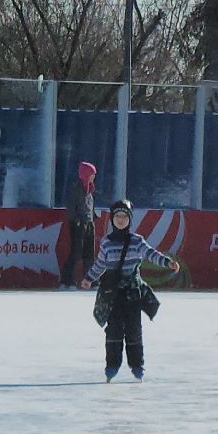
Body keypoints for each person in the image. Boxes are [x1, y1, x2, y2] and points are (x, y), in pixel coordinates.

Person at [80, 198, 181, 381]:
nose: (120, 219)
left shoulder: (136, 241)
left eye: (124, 216)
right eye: (117, 216)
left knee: (134, 330)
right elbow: (100, 264)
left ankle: (137, 366)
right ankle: (112, 366)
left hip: (132, 293)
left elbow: (151, 254)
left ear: (130, 219)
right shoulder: (107, 243)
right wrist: (89, 278)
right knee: (113, 331)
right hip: (113, 294)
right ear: (112, 219)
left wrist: (167, 262)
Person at [62, 161, 97, 289]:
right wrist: (75, 220)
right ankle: (66, 280)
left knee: (89, 254)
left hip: (89, 223)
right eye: (92, 174)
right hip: (78, 224)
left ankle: (90, 280)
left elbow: (89, 207)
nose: (94, 177)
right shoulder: (76, 189)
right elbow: (72, 207)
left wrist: (93, 218)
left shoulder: (91, 189)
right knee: (76, 253)